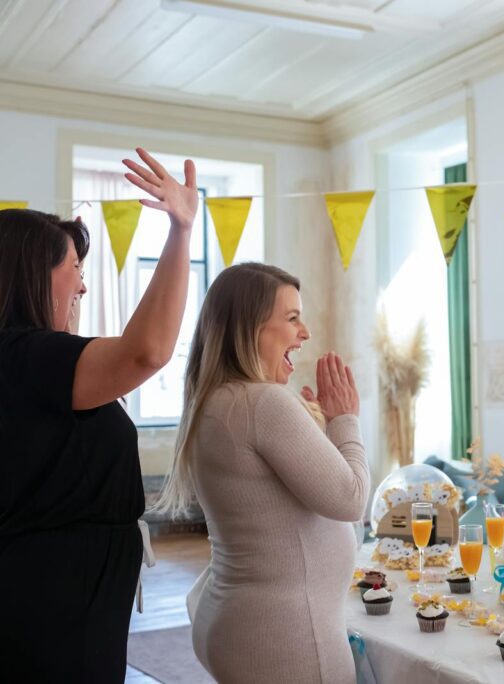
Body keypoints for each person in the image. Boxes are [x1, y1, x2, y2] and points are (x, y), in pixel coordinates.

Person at [0, 149, 198, 682]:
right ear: (32, 275)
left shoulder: (28, 359)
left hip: (64, 602)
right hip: (50, 611)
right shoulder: (25, 355)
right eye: (75, 269)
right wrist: (181, 232)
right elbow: (146, 352)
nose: (83, 286)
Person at [153, 263, 369, 683]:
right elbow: (351, 499)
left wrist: (319, 430)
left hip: (238, 622)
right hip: (285, 638)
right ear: (250, 329)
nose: (305, 332)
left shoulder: (216, 400)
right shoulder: (263, 403)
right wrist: (345, 420)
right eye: (292, 318)